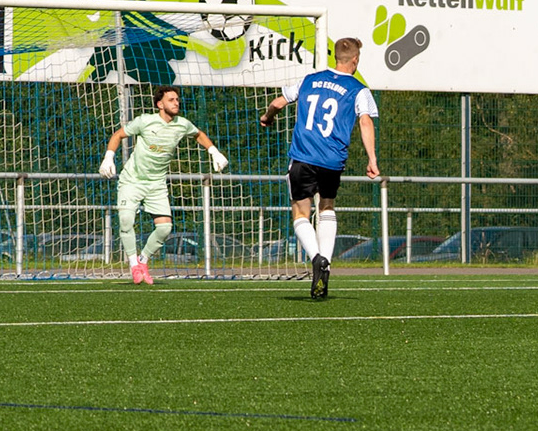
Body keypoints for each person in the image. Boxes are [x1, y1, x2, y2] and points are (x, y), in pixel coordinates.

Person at [260, 37, 381, 299]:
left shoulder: (310, 80)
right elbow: (365, 122)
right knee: (327, 206)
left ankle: (316, 258)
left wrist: (267, 117)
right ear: (355, 60)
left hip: (303, 157)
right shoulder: (358, 89)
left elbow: (278, 103)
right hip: (332, 161)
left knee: (300, 212)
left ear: (336, 57)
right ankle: (325, 263)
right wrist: (372, 159)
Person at [98, 85, 228, 284]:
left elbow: (199, 134)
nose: (176, 103)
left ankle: (143, 261)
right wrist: (109, 157)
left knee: (165, 228)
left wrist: (214, 152)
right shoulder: (145, 121)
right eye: (171, 100)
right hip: (132, 180)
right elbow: (118, 135)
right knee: (125, 220)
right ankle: (133, 265)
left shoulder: (182, 124)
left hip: (157, 184)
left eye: (177, 99)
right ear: (160, 104)